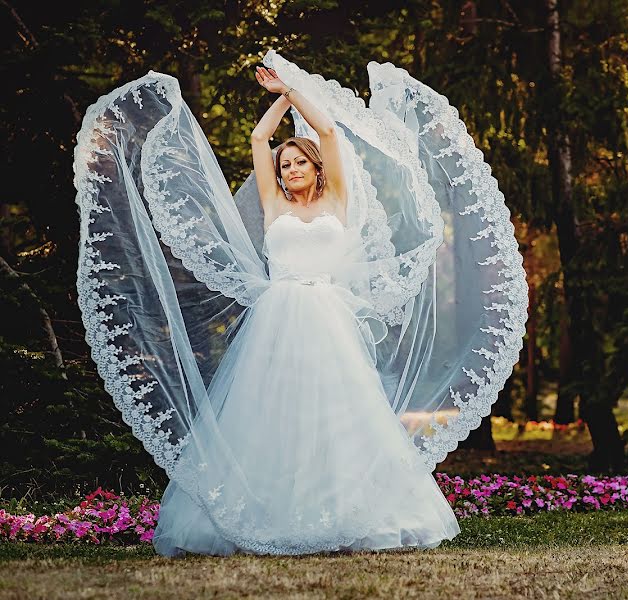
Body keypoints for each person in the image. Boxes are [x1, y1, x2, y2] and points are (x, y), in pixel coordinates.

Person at [73, 50, 528, 557]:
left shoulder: (338, 202)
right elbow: (258, 139)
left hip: (328, 318)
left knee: (338, 413)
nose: (288, 169)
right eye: (284, 164)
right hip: (278, 318)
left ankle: (350, 512)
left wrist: (291, 90)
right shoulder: (273, 206)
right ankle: (269, 512)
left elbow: (330, 131)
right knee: (272, 411)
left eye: (297, 163)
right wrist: (275, 104)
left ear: (315, 168)